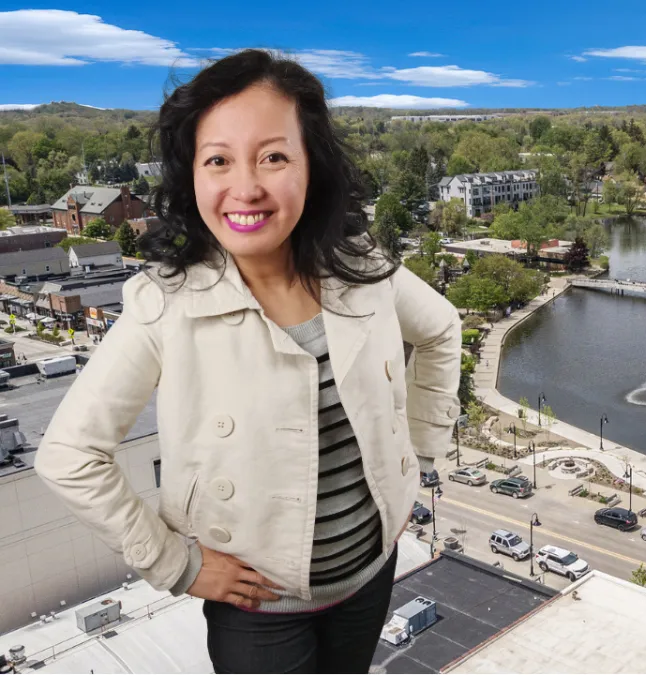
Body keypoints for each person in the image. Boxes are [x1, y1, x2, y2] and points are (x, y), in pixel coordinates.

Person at [34, 50, 461, 674]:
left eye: (274, 157)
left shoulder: (359, 265)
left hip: (371, 572)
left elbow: (442, 328)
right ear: (192, 176)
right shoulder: (166, 304)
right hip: (260, 607)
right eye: (218, 160)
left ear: (311, 164)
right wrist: (175, 563)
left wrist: (418, 456)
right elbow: (68, 456)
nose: (246, 187)